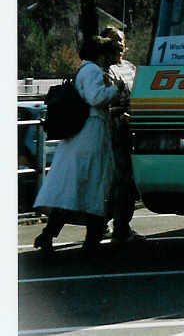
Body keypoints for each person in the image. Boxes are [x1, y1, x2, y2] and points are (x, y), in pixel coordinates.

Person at [32, 36, 123, 254]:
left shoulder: (83, 71)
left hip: (80, 134)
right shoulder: (93, 72)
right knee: (93, 183)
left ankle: (50, 233)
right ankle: (91, 237)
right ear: (99, 54)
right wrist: (115, 90)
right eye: (107, 53)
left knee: (73, 186)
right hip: (91, 134)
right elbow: (96, 98)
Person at [100, 26, 144, 243]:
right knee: (119, 182)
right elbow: (102, 104)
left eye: (121, 40)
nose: (119, 43)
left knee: (127, 183)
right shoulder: (104, 71)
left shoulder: (131, 68)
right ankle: (119, 227)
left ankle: (115, 224)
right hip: (113, 133)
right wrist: (121, 114)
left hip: (131, 133)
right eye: (114, 40)